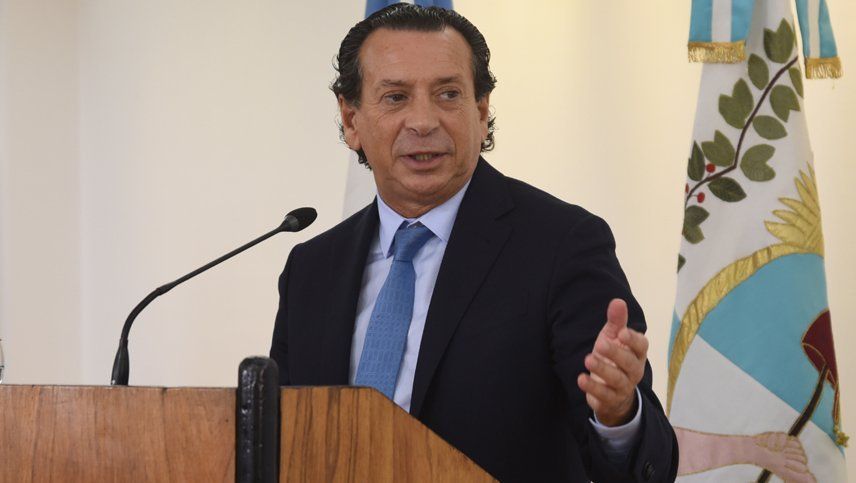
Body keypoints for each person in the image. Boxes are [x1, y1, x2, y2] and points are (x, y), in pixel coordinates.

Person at [270, 4, 678, 482]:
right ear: (351, 119)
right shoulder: (312, 269)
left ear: (481, 112)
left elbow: (647, 466)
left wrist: (618, 415)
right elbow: (281, 443)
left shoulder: (561, 246)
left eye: (448, 94)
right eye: (396, 97)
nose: (423, 121)